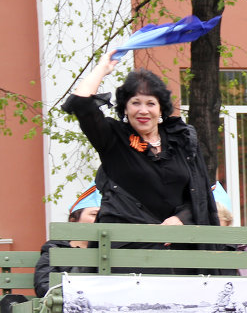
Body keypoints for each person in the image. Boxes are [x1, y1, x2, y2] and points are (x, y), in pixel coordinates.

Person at [62, 49, 220, 257]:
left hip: (179, 250)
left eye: (150, 103)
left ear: (161, 109)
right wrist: (103, 68)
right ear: (125, 109)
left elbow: (200, 195)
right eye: (135, 103)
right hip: (128, 251)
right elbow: (81, 103)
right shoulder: (113, 138)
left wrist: (180, 219)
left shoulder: (182, 139)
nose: (143, 111)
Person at [34, 185, 102, 297]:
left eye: (102, 215)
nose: (99, 220)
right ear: (73, 220)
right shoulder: (55, 249)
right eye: (94, 214)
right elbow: (44, 287)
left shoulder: (113, 251)